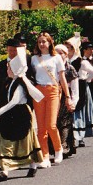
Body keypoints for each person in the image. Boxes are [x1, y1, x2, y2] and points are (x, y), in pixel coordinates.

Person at [0, 54, 44, 180]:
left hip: (21, 115)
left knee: (26, 143)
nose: (7, 70)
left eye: (9, 68)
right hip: (10, 115)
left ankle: (32, 165)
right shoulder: (9, 82)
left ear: (14, 69)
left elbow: (14, 102)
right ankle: (5, 170)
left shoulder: (20, 84)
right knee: (5, 141)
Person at [31, 32, 73, 167]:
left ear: (50, 43)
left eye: (44, 41)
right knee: (41, 127)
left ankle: (58, 148)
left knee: (51, 124)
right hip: (38, 91)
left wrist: (68, 97)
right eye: (39, 42)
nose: (42, 44)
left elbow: (62, 78)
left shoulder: (56, 58)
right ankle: (45, 156)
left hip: (53, 90)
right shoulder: (34, 59)